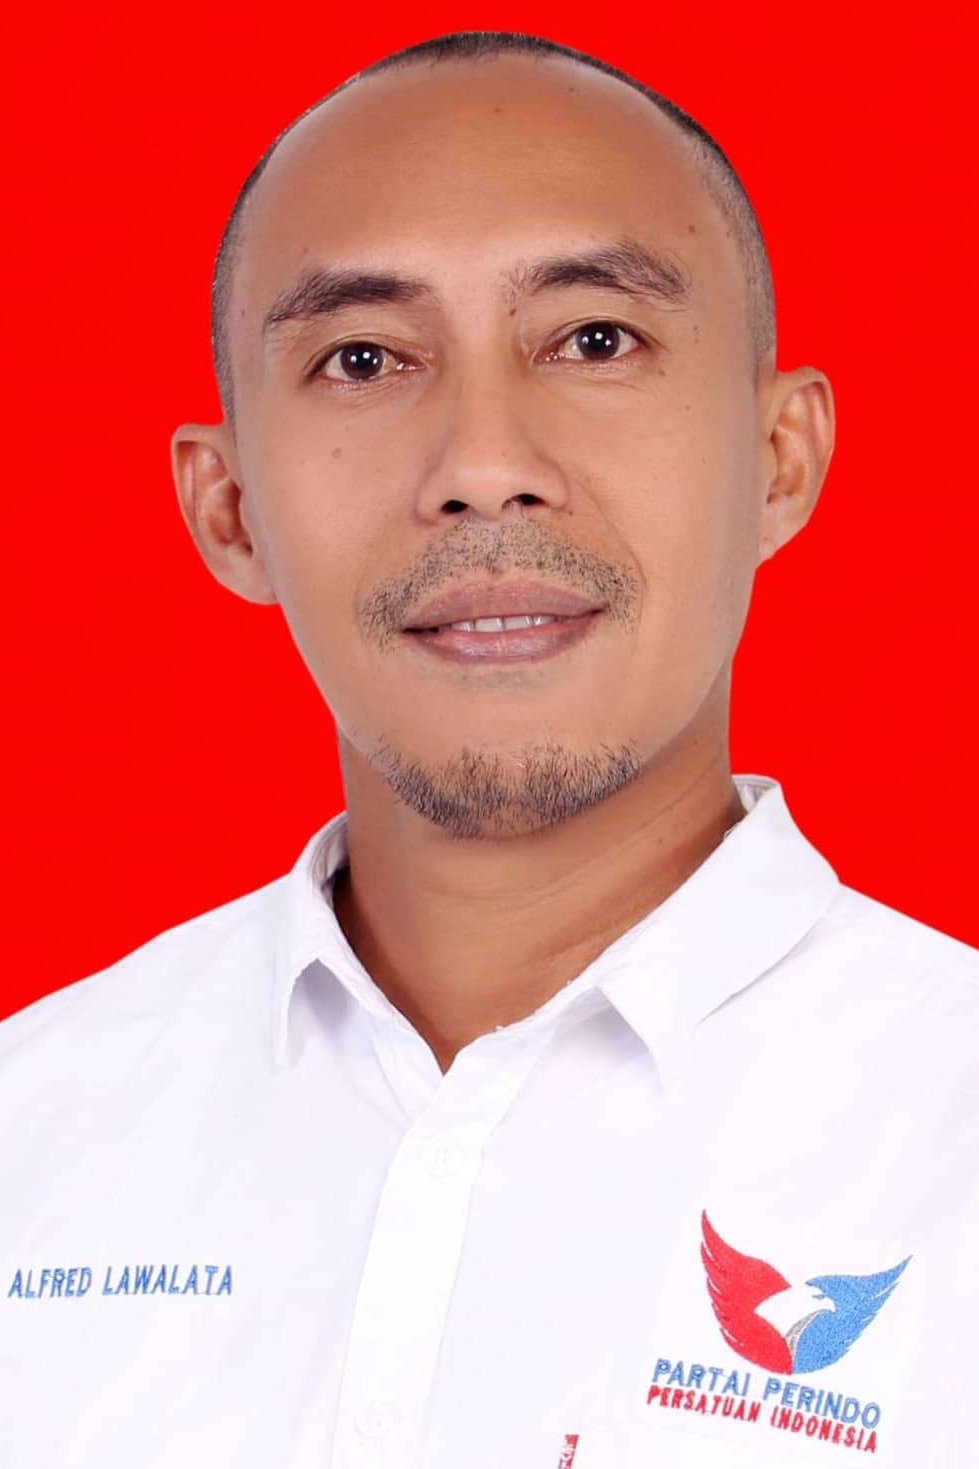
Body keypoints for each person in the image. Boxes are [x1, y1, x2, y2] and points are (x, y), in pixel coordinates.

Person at [0, 29, 975, 1469]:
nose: (482, 465)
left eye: (595, 339)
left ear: (781, 460)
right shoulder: (30, 1131)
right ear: (229, 510)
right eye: (363, 359)